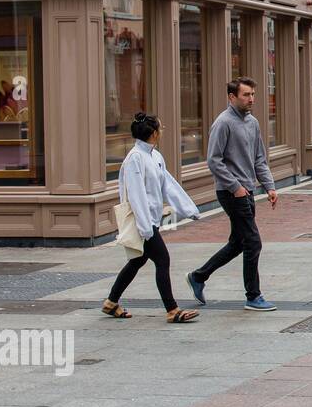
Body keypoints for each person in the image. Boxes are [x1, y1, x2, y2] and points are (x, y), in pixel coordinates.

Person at [186, 78, 279, 312]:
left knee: (239, 242)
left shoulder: (253, 123)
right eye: (246, 95)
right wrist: (235, 186)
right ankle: (253, 296)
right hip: (231, 192)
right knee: (253, 242)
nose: (251, 99)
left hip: (248, 190)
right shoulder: (223, 123)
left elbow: (259, 158)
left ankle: (198, 276)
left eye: (253, 94)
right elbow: (214, 160)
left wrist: (269, 186)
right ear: (232, 97)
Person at [102, 113, 202, 323]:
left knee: (137, 261)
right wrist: (146, 227)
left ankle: (111, 302)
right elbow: (136, 194)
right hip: (143, 222)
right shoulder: (135, 158)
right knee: (163, 260)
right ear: (154, 133)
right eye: (160, 128)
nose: (162, 131)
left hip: (150, 220)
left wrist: (188, 209)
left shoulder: (155, 156)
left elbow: (168, 185)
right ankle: (172, 310)